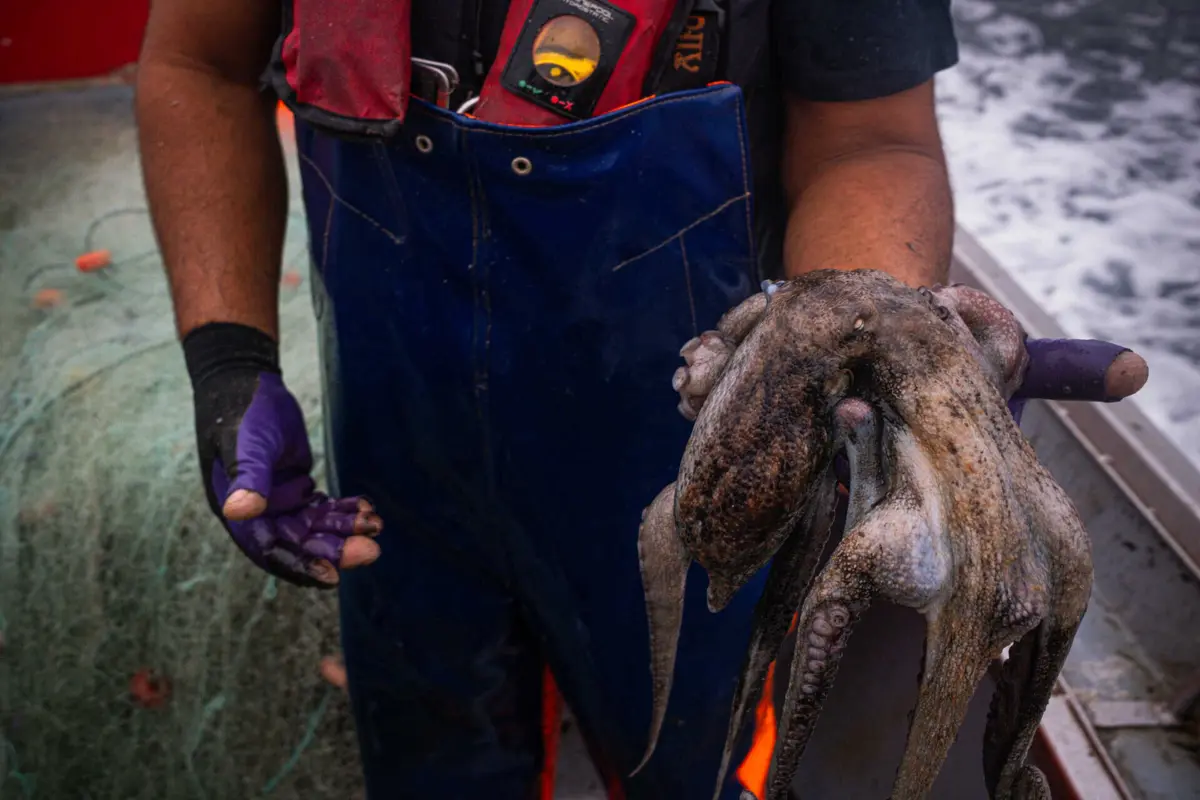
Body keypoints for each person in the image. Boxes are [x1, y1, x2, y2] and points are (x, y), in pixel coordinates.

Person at [134, 1, 1146, 798]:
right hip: (401, 467)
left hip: (705, 469)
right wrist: (228, 358)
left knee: (706, 757)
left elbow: (872, 138)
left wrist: (855, 317)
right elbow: (198, 62)